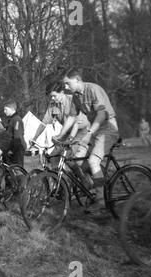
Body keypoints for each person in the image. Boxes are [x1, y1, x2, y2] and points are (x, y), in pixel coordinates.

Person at [63, 67, 120, 207]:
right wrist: (59, 135)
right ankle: (101, 181)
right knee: (77, 161)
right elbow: (71, 117)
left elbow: (102, 114)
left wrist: (88, 134)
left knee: (93, 161)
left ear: (77, 80)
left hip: (108, 128)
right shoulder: (76, 96)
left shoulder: (93, 89)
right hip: (95, 130)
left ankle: (101, 200)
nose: (65, 87)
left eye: (67, 83)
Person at [31, 81, 89, 167]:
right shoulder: (52, 105)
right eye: (51, 96)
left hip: (81, 131)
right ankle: (57, 178)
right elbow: (44, 123)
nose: (52, 98)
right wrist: (34, 138)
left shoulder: (73, 100)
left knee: (70, 158)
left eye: (54, 96)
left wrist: (69, 140)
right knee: (54, 156)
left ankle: (84, 178)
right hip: (67, 132)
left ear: (62, 93)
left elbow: (77, 123)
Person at [2, 100, 27, 167]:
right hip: (13, 148)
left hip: (17, 148)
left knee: (17, 169)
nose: (4, 112)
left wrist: (12, 150)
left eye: (5, 109)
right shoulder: (11, 119)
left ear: (11, 109)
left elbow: (17, 137)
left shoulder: (16, 120)